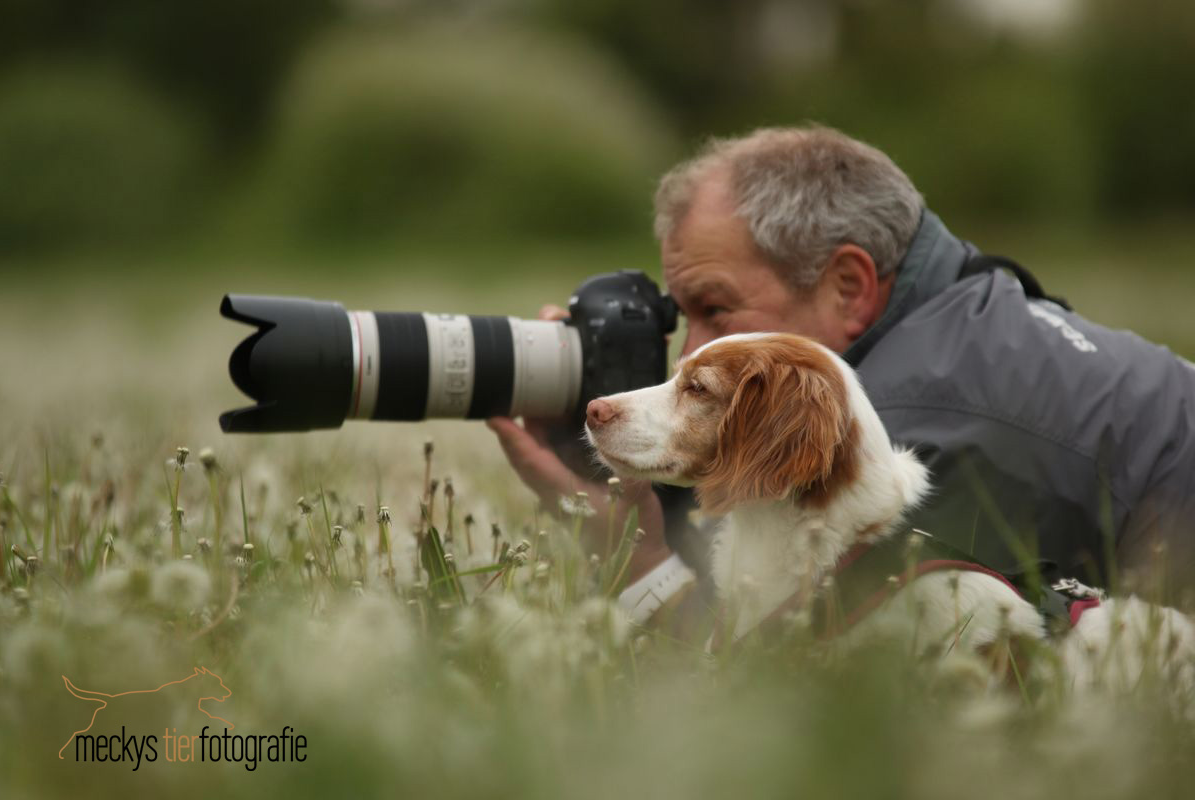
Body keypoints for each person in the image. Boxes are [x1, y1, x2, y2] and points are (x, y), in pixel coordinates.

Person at [487, 125, 1195, 600]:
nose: (692, 349)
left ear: (849, 286)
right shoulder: (966, 328)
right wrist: (629, 454)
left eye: (715, 308)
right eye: (682, 317)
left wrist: (633, 555)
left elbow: (792, 682)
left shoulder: (927, 427)